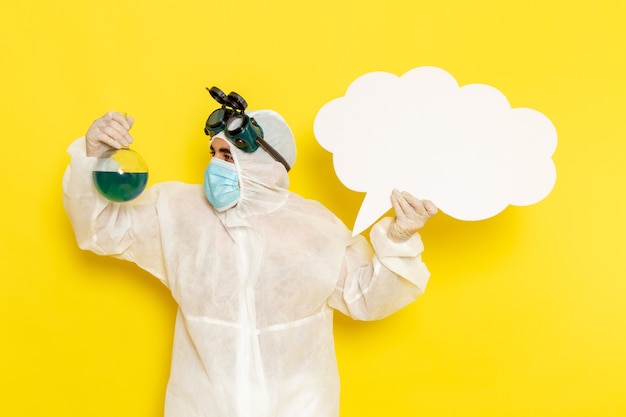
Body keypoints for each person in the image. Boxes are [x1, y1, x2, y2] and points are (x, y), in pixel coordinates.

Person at [62, 95, 438, 417]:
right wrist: (94, 156)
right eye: (214, 153)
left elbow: (365, 297)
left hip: (299, 405)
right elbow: (102, 229)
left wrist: (399, 238)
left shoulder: (315, 226)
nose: (214, 165)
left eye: (228, 155)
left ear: (266, 163)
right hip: (203, 404)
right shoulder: (179, 212)